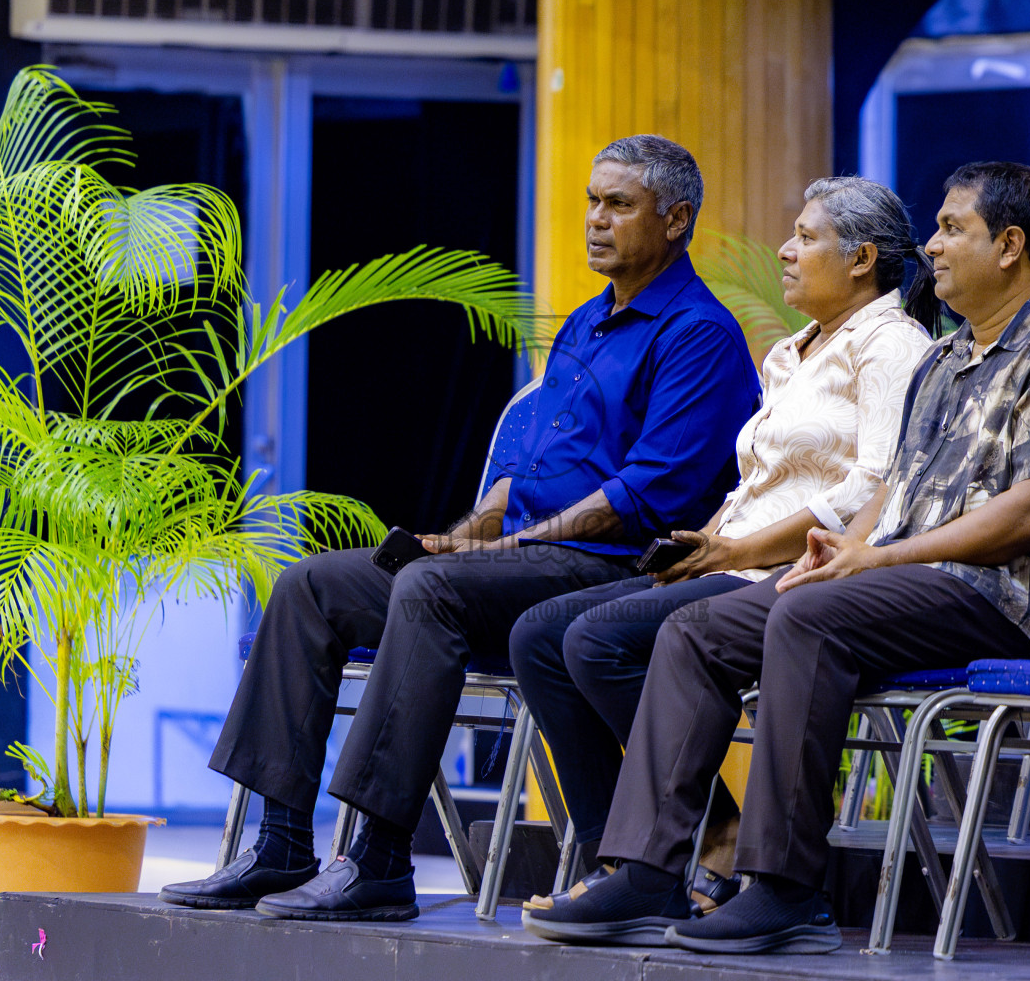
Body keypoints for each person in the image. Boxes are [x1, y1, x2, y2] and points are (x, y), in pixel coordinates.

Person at [523, 161, 1030, 953]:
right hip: (907, 579)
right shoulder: (949, 360)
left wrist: (878, 560)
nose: (932, 246)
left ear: (1009, 245)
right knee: (698, 630)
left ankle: (783, 888)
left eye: (952, 229)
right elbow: (895, 485)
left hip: (1005, 598)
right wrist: (849, 546)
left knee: (808, 617)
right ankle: (645, 872)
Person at [158, 134, 759, 922]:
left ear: (675, 220)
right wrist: (469, 534)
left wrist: (502, 548)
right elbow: (520, 471)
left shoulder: (697, 335)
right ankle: (279, 844)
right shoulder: (584, 324)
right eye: (591, 201)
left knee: (431, 590)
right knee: (312, 585)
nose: (596, 221)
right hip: (515, 566)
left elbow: (643, 494)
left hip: (608, 572)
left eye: (619, 204)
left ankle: (375, 860)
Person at [507, 176, 936, 908]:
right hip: (733, 557)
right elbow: (756, 485)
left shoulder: (893, 345)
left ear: (862, 259)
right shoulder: (797, 353)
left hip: (790, 570)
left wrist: (736, 552)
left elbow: (876, 488)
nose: (785, 249)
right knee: (541, 635)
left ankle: (669, 856)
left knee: (597, 639)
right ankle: (626, 854)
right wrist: (707, 539)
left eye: (805, 237)